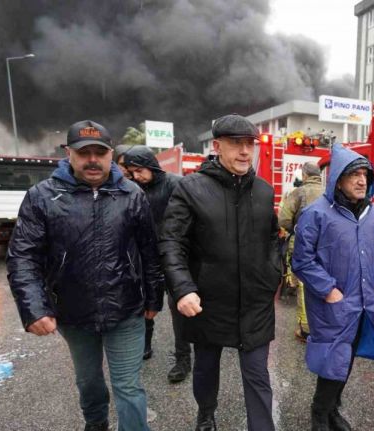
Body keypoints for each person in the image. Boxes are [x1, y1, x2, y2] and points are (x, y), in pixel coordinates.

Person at [6, 120, 164, 431]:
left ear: (110, 155)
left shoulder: (131, 194)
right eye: (84, 152)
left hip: (126, 310)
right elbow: (23, 257)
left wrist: (154, 299)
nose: (92, 159)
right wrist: (34, 309)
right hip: (73, 313)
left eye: (100, 152)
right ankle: (96, 424)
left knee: (128, 387)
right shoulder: (41, 196)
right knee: (89, 382)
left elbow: (149, 251)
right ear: (69, 154)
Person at [159, 114, 280, 431]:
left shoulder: (265, 192)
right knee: (206, 367)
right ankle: (206, 413)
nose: (244, 151)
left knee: (257, 375)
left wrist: (273, 273)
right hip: (207, 301)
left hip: (255, 303)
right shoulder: (191, 189)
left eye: (249, 144)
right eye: (236, 144)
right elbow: (172, 242)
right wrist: (183, 288)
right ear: (217, 146)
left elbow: (272, 238)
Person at [292, 144, 374, 431]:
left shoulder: (371, 213)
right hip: (332, 304)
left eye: (365, 174)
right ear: (338, 178)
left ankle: (333, 409)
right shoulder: (317, 213)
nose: (362, 180)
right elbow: (302, 261)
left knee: (347, 359)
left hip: (363, 301)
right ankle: (319, 414)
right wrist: (329, 291)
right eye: (354, 175)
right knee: (332, 360)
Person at [122, 146, 189, 381]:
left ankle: (183, 359)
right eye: (131, 172)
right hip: (145, 256)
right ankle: (145, 346)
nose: (136, 176)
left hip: (174, 255)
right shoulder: (133, 189)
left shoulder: (176, 184)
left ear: (151, 165)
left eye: (139, 170)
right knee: (144, 303)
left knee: (177, 307)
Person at [278, 162, 324, 341]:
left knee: (304, 284)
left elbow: (284, 219)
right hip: (325, 245)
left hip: (303, 243)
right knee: (323, 282)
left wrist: (295, 229)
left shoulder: (299, 193)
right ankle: (322, 326)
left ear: (304, 175)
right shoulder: (329, 193)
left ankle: (305, 329)